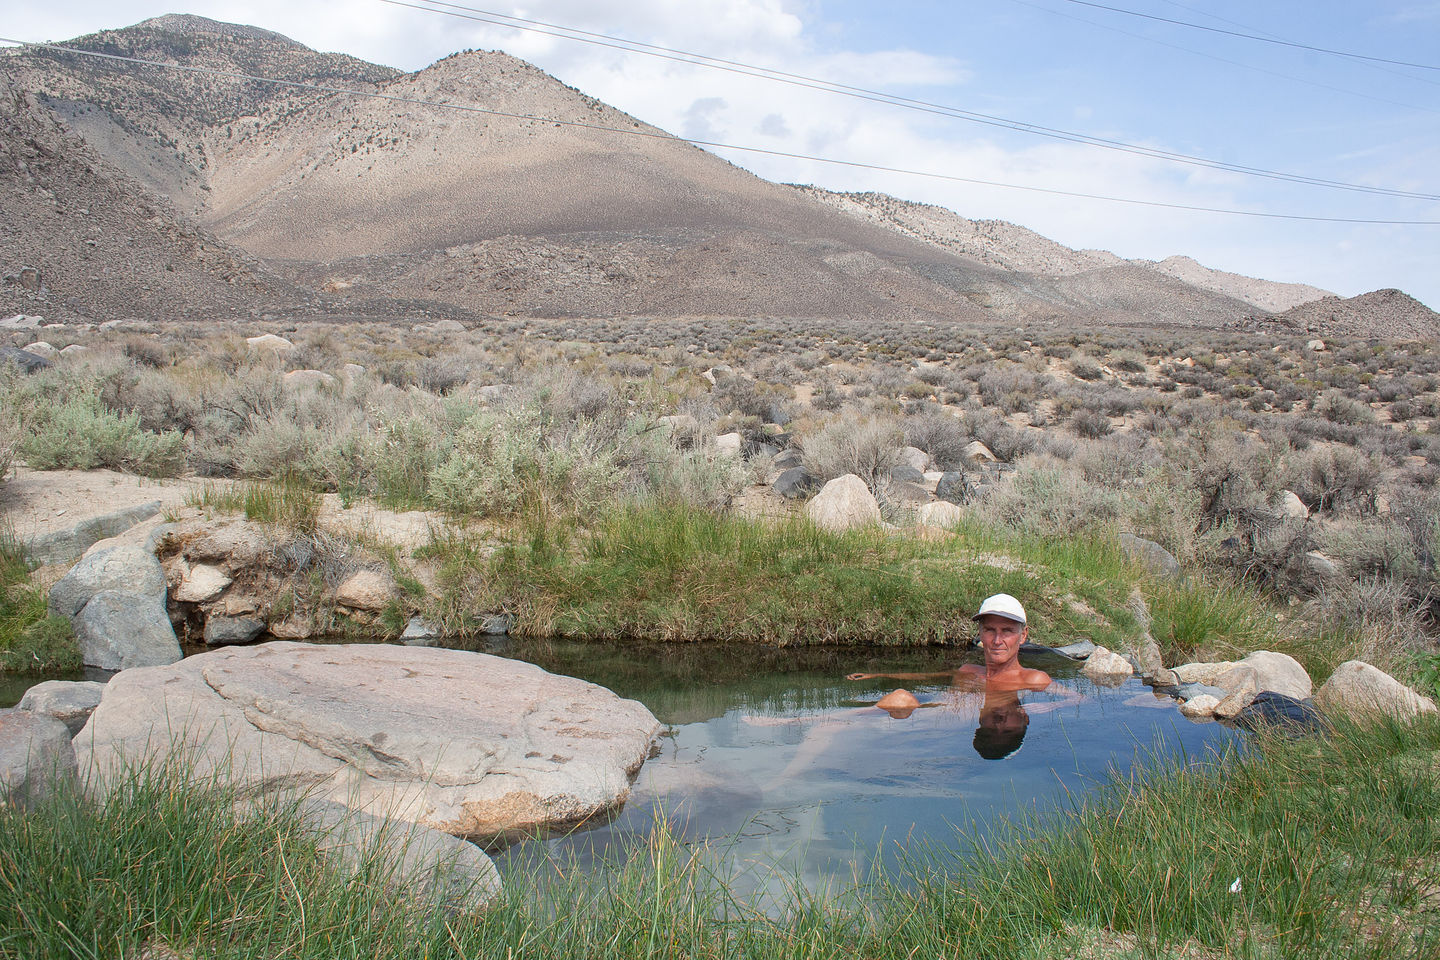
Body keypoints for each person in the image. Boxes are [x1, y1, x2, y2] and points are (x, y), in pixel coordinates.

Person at [847, 593, 1051, 691]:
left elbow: (1076, 700)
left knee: (900, 700)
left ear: (1023, 635)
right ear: (980, 633)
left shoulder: (1034, 680)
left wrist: (1040, 707)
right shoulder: (968, 670)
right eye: (990, 630)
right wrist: (877, 674)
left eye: (1006, 631)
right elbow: (929, 677)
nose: (997, 640)